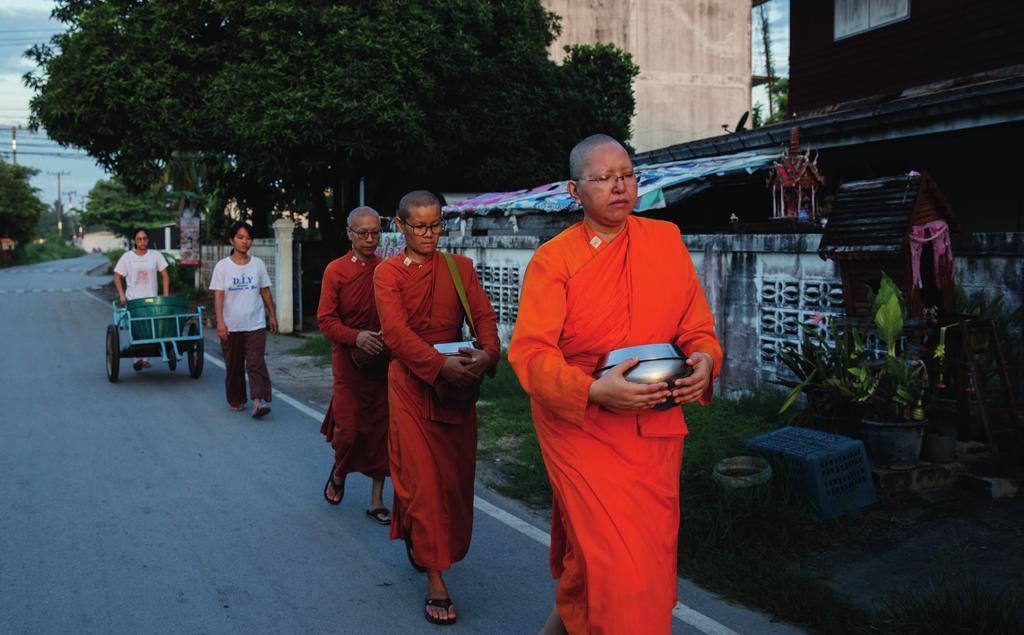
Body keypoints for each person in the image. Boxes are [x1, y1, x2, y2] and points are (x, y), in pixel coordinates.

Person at [507, 134, 723, 635]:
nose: (618, 186)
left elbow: (697, 328)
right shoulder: (554, 260)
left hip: (655, 423)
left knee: (630, 563)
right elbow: (531, 353)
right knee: (619, 570)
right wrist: (592, 391)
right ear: (574, 190)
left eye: (626, 174)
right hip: (582, 428)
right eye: (602, 178)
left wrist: (705, 362)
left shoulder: (664, 240)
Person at [373, 190, 499, 626]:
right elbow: (395, 333)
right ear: (401, 226)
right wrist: (438, 365)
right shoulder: (388, 273)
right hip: (411, 385)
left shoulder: (458, 267)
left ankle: (411, 519)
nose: (428, 235)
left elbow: (483, 316)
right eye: (419, 227)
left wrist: (488, 354)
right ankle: (436, 581)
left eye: (435, 225)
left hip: (456, 386)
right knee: (424, 483)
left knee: (454, 481)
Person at [318, 206, 391, 524]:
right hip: (348, 361)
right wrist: (356, 336)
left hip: (382, 362)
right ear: (349, 233)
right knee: (348, 431)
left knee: (381, 431)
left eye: (375, 232)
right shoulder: (336, 271)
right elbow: (326, 321)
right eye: (363, 233)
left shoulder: (386, 270)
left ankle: (377, 500)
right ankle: (340, 470)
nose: (370, 239)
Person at [209, 221, 279, 417]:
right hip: (231, 325)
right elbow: (219, 296)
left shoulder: (258, 264)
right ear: (232, 240)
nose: (245, 242)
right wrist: (220, 322)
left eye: (248, 238)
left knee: (255, 362)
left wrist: (272, 315)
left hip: (255, 323)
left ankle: (258, 401)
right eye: (240, 237)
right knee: (234, 364)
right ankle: (236, 398)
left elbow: (265, 291)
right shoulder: (222, 267)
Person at [113, 228, 170, 371]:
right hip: (134, 300)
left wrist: (165, 295)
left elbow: (165, 276)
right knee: (137, 328)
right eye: (139, 239)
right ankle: (137, 359)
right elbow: (117, 277)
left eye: (144, 238)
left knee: (151, 328)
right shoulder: (127, 257)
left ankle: (145, 359)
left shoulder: (155, 256)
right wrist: (121, 294)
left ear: (148, 240)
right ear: (134, 241)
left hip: (152, 300)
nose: (142, 241)